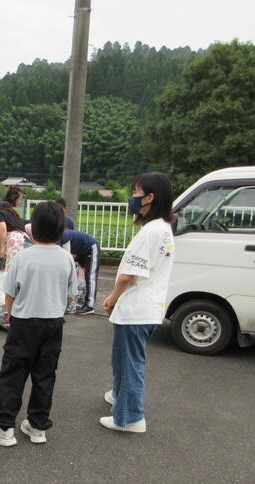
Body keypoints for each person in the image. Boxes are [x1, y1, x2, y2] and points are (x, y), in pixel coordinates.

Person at [0, 201, 75, 446]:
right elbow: (70, 296)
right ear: (60, 228)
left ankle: (3, 426)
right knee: (45, 375)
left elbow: (9, 294)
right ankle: (37, 425)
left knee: (13, 373)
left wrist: (12, 315)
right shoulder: (66, 259)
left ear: (34, 227)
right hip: (54, 323)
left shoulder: (24, 257)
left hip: (24, 323)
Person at [100, 172, 175, 433]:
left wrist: (111, 298)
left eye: (135, 192)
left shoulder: (150, 232)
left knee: (129, 363)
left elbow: (128, 275)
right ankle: (120, 398)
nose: (132, 197)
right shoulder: (164, 228)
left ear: (150, 197)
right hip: (149, 307)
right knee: (125, 360)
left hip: (136, 309)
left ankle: (129, 418)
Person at [61, 228, 100, 314]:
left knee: (90, 277)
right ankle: (78, 301)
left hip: (91, 248)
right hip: (78, 253)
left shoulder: (63, 236)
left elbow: (67, 259)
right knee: (77, 278)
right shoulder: (55, 238)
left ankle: (89, 306)